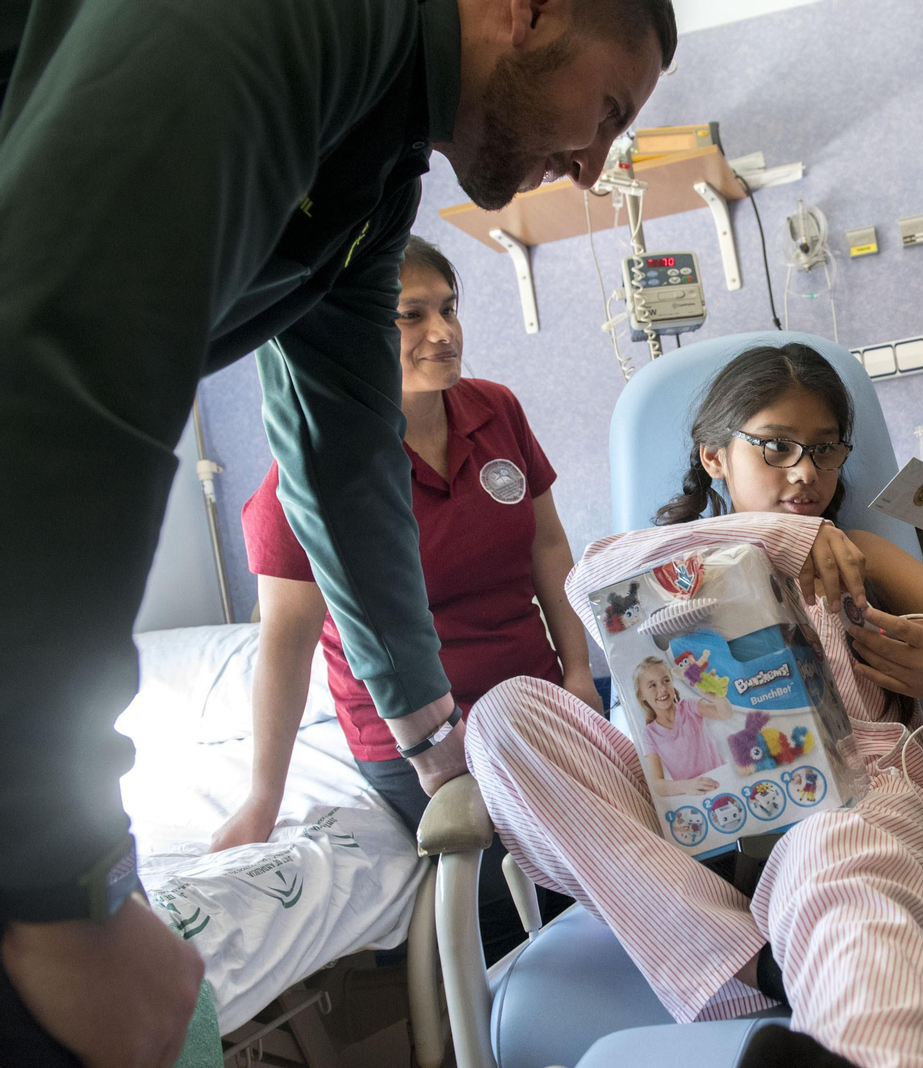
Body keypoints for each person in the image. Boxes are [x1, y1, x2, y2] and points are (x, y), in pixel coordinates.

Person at [0, 0, 674, 1063]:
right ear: (525, 10)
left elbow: (344, 464)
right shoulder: (270, 29)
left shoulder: (371, 169)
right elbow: (49, 380)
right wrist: (70, 890)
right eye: (605, 110)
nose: (595, 166)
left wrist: (432, 741)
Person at [463, 344, 923, 1068]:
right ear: (713, 459)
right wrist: (780, 536)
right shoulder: (665, 558)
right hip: (694, 829)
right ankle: (753, 963)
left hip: (851, 805)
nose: (805, 472)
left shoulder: (859, 553)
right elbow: (589, 584)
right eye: (775, 447)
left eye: (825, 451)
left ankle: (850, 1040)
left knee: (831, 854)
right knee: (503, 717)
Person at [208, 236, 595, 961]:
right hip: (419, 733)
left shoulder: (495, 411)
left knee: (633, 828)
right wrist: (263, 795)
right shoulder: (314, 479)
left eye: (448, 309)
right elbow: (284, 647)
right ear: (354, 331)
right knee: (519, 890)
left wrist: (577, 671)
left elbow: (549, 548)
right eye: (409, 317)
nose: (442, 333)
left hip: (536, 695)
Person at [633, 656, 736, 795]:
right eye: (652, 685)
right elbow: (658, 785)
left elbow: (726, 714)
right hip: (693, 797)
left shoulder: (689, 706)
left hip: (722, 781)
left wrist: (717, 698)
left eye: (666, 681)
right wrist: (687, 786)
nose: (662, 688)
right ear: (641, 696)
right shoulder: (649, 734)